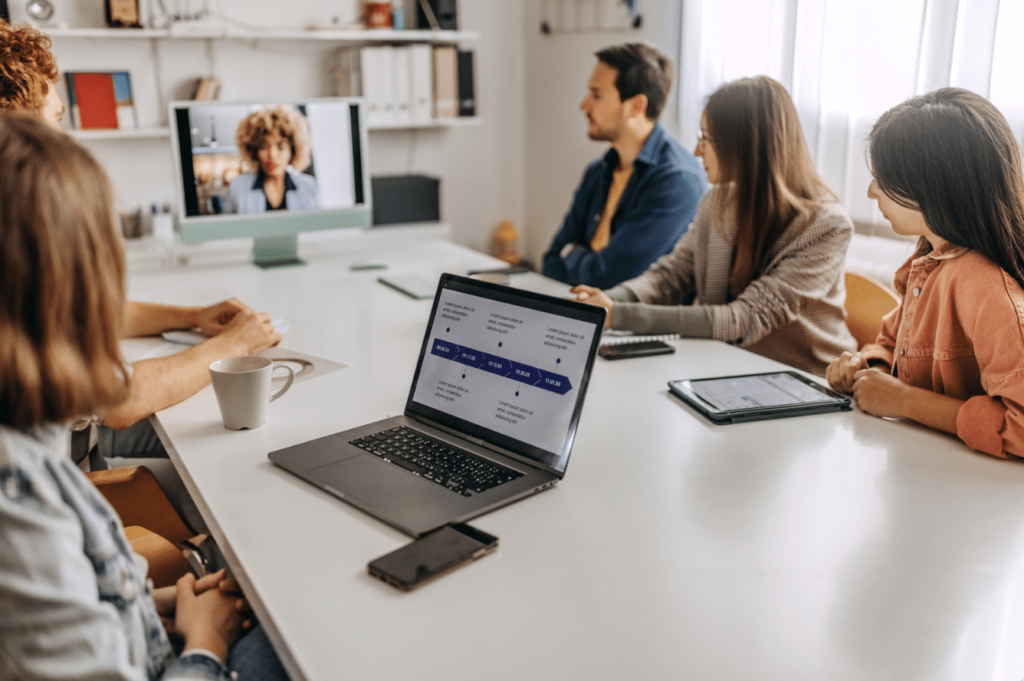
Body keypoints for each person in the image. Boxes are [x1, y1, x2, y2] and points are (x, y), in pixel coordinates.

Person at [0, 113, 290, 680]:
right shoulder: (17, 489)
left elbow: (77, 622)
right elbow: (120, 398)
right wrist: (204, 641)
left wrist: (173, 605)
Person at [0, 21, 281, 463]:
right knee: (243, 454)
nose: (65, 139)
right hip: (66, 471)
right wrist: (234, 346)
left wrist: (193, 317)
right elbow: (119, 400)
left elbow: (77, 312)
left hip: (69, 442)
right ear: (17, 132)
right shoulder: (20, 234)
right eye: (55, 121)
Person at [572, 76, 857, 377]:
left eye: (706, 138)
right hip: (727, 372)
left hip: (808, 382)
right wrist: (601, 303)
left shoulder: (827, 226)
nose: (696, 151)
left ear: (745, 146)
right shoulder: (717, 202)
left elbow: (744, 319)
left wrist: (619, 315)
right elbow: (669, 277)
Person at [826, 89, 1024, 459]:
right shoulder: (931, 263)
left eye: (884, 179)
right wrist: (867, 367)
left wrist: (905, 401)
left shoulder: (987, 289)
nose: (871, 192)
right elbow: (892, 343)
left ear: (936, 185)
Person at [542, 43, 707, 290]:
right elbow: (551, 260)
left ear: (636, 106)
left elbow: (613, 279)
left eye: (597, 95)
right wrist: (581, 260)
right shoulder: (597, 172)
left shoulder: (676, 180)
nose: (584, 105)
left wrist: (573, 254)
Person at [225, 104, 319, 214]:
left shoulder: (308, 186)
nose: (272, 155)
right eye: (263, 147)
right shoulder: (237, 188)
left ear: (292, 149)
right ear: (254, 151)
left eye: (281, 147)